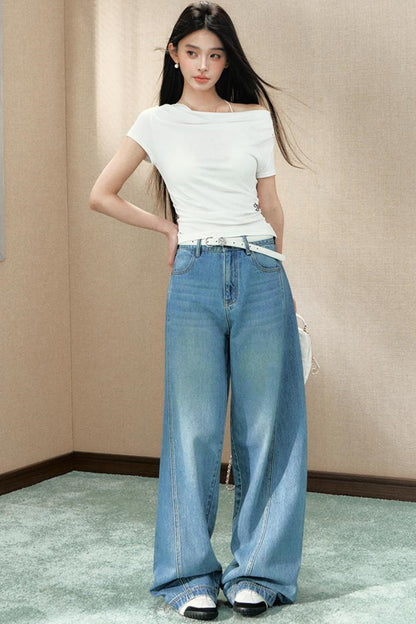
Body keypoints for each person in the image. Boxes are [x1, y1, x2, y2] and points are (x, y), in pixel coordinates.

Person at [89, 2, 308, 620]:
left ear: (227, 59)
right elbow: (101, 194)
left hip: (260, 269)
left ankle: (258, 573)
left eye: (215, 54)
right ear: (174, 55)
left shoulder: (253, 119)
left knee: (267, 426)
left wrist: (278, 270)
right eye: (193, 53)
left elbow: (272, 205)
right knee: (193, 428)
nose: (204, 65)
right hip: (194, 274)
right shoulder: (156, 122)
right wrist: (167, 228)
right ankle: (189, 578)